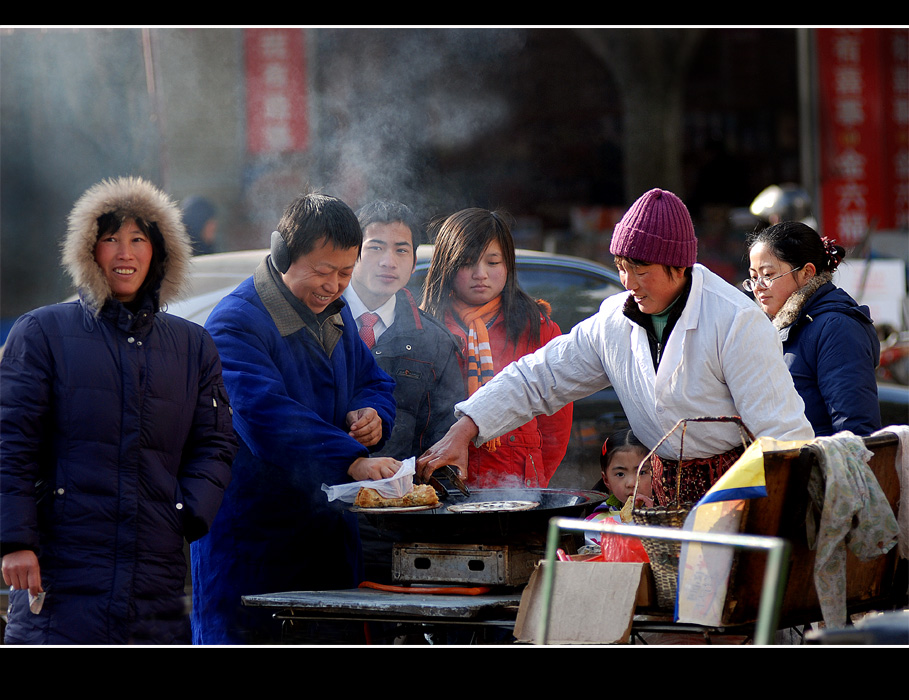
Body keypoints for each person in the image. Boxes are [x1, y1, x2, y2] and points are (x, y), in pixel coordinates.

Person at [417, 188, 814, 507]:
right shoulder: (614, 321)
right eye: (621, 267)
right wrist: (465, 429)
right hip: (658, 495)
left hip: (738, 492)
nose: (629, 282)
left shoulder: (735, 321)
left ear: (679, 266)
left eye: (641, 270)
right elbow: (538, 378)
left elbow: (783, 438)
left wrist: (755, 514)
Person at [0, 176, 237, 645]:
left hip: (154, 576)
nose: (124, 253)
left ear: (160, 251)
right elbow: (11, 441)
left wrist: (186, 513)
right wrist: (16, 541)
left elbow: (216, 441)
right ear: (90, 249)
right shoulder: (42, 332)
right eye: (110, 239)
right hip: (61, 572)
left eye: (138, 240)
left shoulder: (192, 344)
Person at [189, 192, 398, 645]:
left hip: (327, 539)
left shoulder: (336, 319)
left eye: (345, 273)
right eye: (323, 271)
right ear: (283, 253)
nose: (334, 285)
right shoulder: (233, 324)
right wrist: (351, 459)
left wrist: (374, 416)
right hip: (256, 543)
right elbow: (265, 416)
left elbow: (375, 382)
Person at [342, 199, 464, 586]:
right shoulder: (319, 321)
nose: (388, 261)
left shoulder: (435, 341)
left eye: (401, 250)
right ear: (352, 253)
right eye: (375, 247)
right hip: (315, 518)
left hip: (394, 525)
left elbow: (441, 440)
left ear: (414, 261)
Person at [420, 207, 573, 489]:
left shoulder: (536, 327)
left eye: (492, 262)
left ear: (508, 266)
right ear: (447, 266)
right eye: (467, 263)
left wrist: (533, 480)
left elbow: (556, 426)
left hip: (518, 486)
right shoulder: (424, 329)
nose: (481, 274)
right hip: (444, 487)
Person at [745, 221, 881, 437]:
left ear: (807, 272)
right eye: (753, 277)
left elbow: (855, 430)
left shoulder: (837, 328)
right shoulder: (777, 328)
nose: (758, 287)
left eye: (768, 275)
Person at [584, 430, 653, 547]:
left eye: (642, 472)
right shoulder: (596, 523)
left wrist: (655, 519)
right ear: (606, 480)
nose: (631, 483)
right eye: (620, 474)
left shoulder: (673, 516)